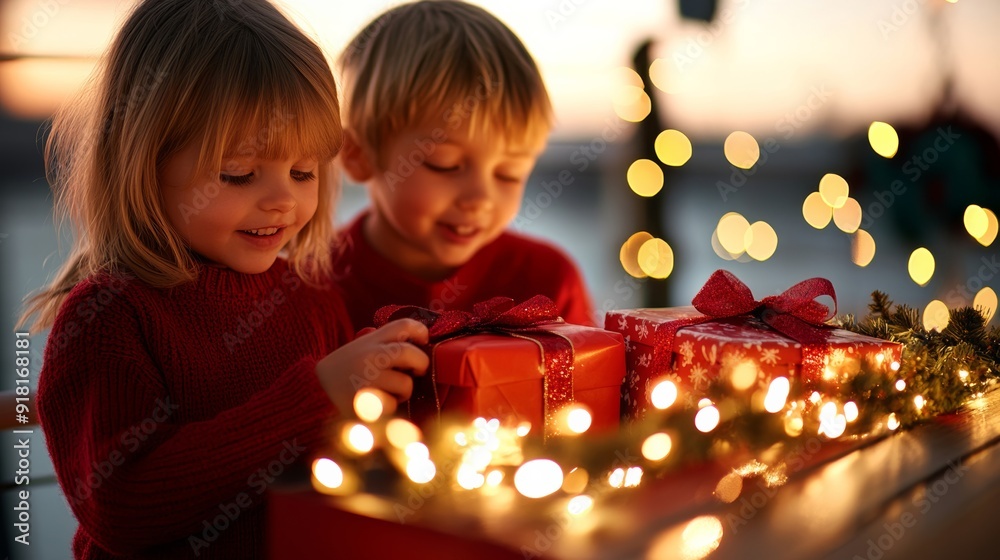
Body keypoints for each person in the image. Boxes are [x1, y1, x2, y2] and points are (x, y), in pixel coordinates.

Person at [18, 1, 428, 558]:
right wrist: (317, 397)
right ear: (147, 161)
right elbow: (120, 505)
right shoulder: (109, 318)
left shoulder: (311, 299)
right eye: (239, 174)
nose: (283, 198)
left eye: (304, 171)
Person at [334, 0, 596, 329]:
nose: (481, 198)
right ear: (358, 155)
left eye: (508, 173)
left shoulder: (548, 282)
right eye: (446, 165)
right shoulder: (312, 286)